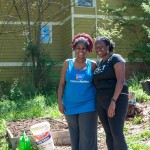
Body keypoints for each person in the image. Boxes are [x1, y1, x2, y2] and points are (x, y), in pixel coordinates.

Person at [58, 33, 98, 150]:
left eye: (84, 48)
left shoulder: (92, 65)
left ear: (88, 49)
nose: (81, 50)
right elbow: (61, 84)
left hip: (88, 105)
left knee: (87, 137)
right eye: (78, 48)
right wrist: (60, 102)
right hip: (70, 105)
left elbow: (97, 85)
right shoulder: (67, 64)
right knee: (74, 135)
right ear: (74, 49)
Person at [93, 36, 128, 150]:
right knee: (108, 133)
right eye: (96, 47)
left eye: (101, 46)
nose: (98, 49)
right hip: (101, 101)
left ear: (108, 47)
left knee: (116, 133)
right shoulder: (99, 63)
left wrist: (113, 101)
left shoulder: (115, 58)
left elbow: (121, 80)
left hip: (116, 99)